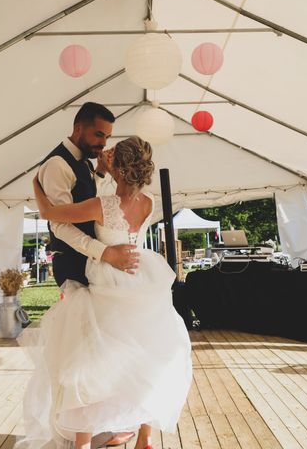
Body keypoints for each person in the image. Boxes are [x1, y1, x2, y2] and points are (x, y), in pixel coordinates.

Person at [19, 136, 192, 449]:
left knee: (89, 360)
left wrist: (36, 187)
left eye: (113, 156)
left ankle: (83, 442)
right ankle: (145, 438)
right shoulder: (149, 202)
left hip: (111, 283)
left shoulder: (103, 205)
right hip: (143, 279)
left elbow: (51, 214)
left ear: (121, 170)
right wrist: (105, 173)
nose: (105, 154)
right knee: (144, 356)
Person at [15, 102, 138, 449]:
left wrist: (99, 173)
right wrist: (106, 253)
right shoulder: (57, 164)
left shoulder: (83, 163)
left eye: (107, 136)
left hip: (91, 264)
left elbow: (87, 203)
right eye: (99, 134)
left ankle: (95, 428)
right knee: (80, 354)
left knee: (97, 349)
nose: (103, 142)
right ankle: (76, 434)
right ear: (79, 127)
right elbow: (60, 224)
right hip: (75, 264)